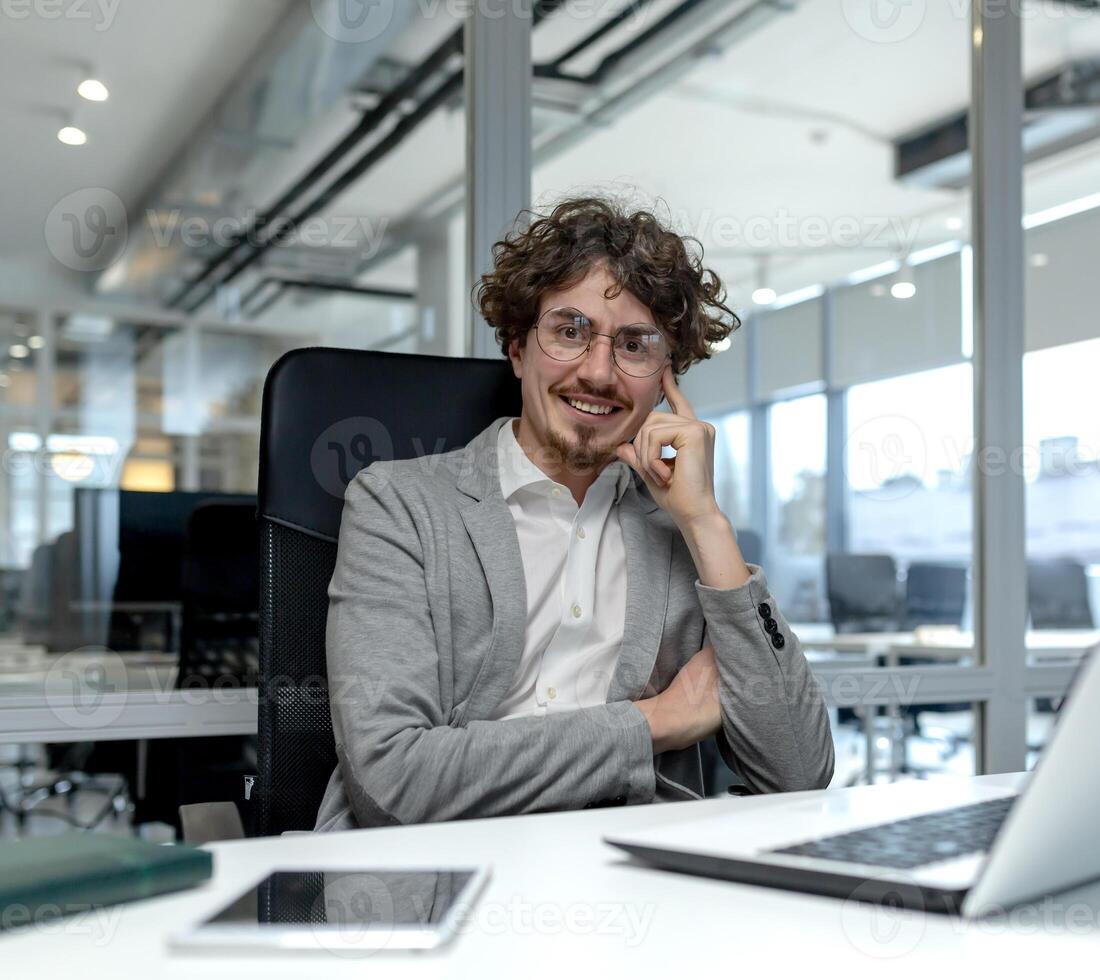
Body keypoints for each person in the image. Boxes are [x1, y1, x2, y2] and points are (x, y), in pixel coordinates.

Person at [314, 197, 833, 830]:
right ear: (516, 348)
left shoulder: (682, 537)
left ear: (667, 377)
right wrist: (656, 723)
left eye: (636, 346)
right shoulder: (401, 507)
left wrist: (705, 523)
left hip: (639, 894)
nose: (598, 373)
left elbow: (800, 772)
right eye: (569, 330)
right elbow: (392, 781)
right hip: (438, 888)